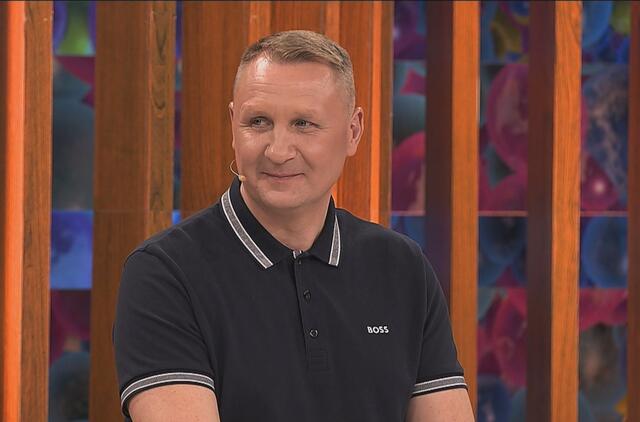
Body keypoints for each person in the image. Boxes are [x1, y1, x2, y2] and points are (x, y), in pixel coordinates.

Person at [114, 30, 474, 422]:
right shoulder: (164, 273)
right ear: (233, 125)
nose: (278, 151)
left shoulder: (403, 267)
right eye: (258, 122)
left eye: (303, 123)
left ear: (353, 131)